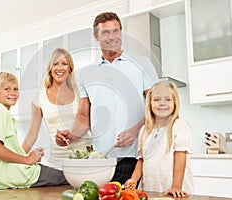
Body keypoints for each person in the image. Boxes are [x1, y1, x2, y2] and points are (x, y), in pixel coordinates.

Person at [56, 12, 158, 184]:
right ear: (96, 36)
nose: (112, 37)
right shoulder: (86, 74)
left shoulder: (142, 64)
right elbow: (83, 116)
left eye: (116, 31)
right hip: (102, 158)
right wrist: (71, 136)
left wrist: (134, 131)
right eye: (105, 32)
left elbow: (156, 109)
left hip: (136, 154)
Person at [0, 72, 68, 189]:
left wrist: (28, 156)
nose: (13, 93)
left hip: (4, 178)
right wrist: (27, 159)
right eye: (7, 89)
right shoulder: (0, 112)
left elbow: (7, 150)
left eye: (15, 89)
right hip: (19, 175)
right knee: (68, 177)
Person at [21, 48, 91, 169]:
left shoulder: (81, 91)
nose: (59, 68)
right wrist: (19, 158)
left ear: (70, 68)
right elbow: (32, 134)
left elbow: (87, 121)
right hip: (58, 161)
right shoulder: (39, 96)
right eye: (55, 64)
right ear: (50, 68)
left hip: (85, 158)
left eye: (64, 64)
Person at [124, 81, 194, 197]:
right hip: (149, 189)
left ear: (175, 103)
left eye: (168, 99)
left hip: (174, 191)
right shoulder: (144, 131)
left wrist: (176, 186)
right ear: (150, 104)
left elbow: (180, 156)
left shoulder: (179, 125)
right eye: (156, 100)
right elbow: (141, 160)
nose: (162, 103)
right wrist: (133, 179)